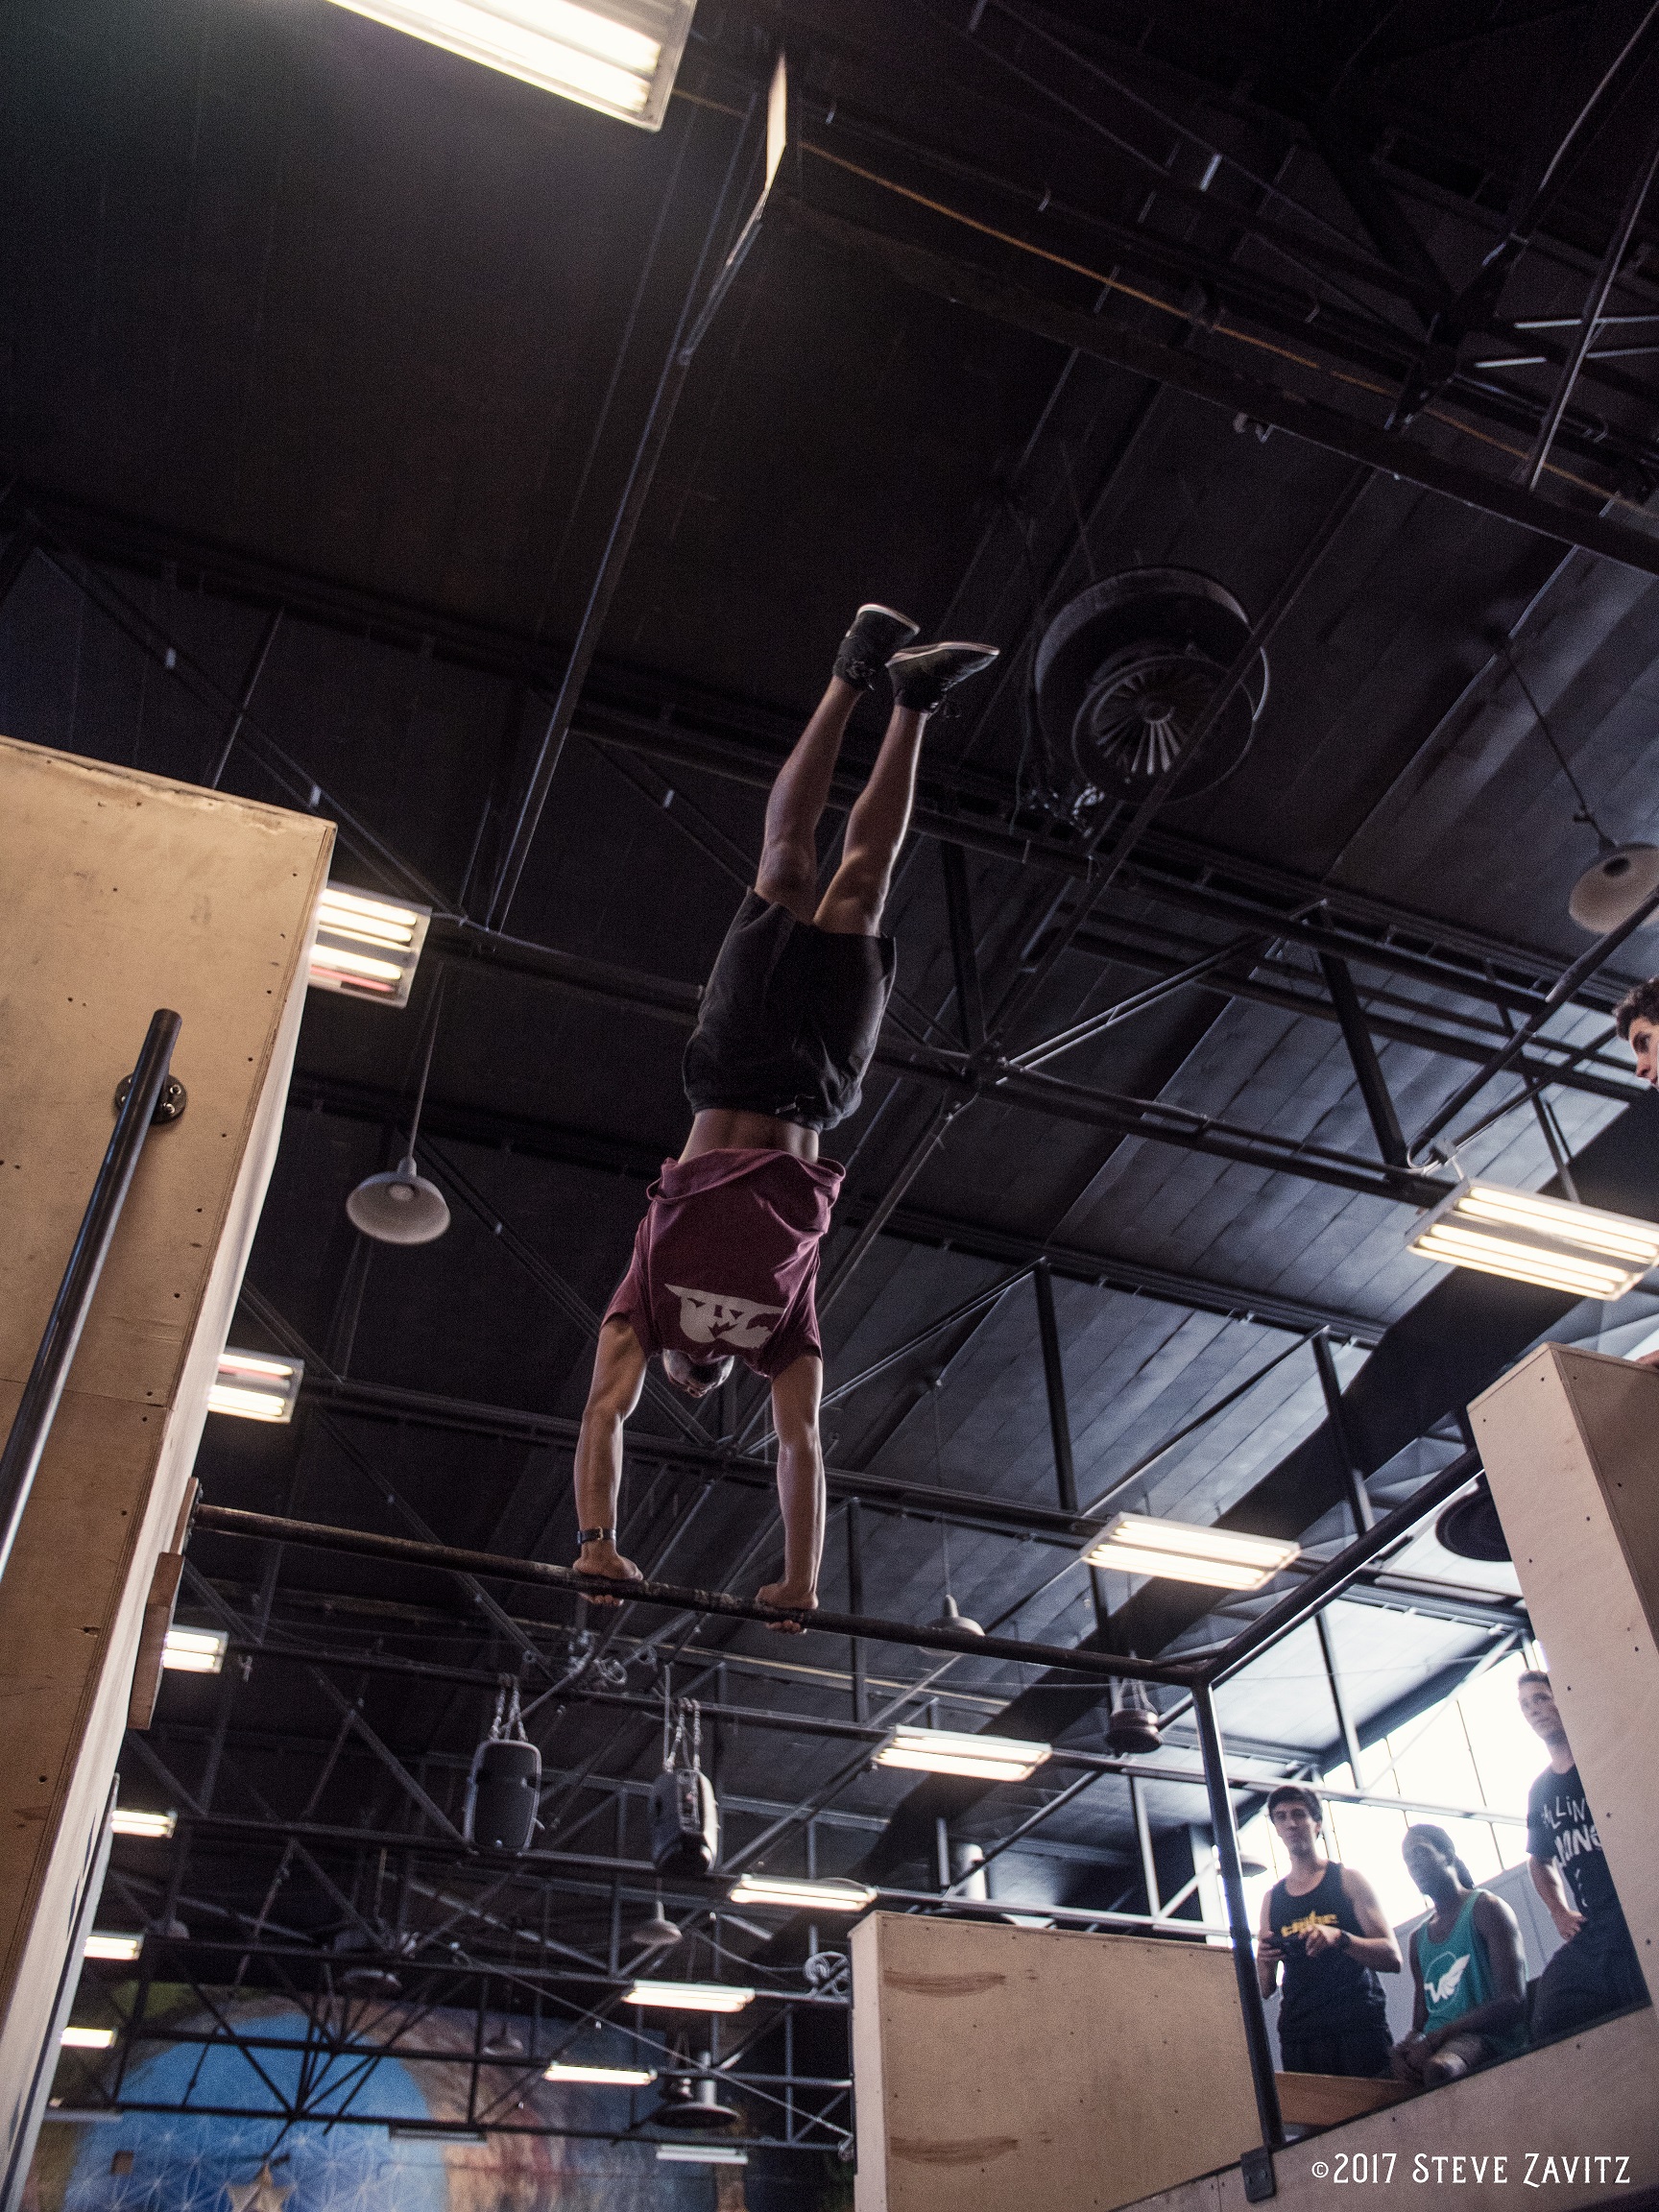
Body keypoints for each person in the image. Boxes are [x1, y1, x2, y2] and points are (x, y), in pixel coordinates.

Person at [569, 606, 998, 1628]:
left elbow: (603, 1411)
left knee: (787, 868)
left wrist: (596, 1540)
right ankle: (914, 699)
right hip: (816, 1093)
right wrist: (802, 1575)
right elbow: (803, 1445)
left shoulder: (650, 1305)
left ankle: (850, 672)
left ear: (676, 1360)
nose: (702, 1370)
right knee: (863, 888)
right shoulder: (784, 1338)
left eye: (690, 1375)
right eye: (709, 1376)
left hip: (731, 1071)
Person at [1520, 1670, 1648, 2038]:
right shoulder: (1540, 1790)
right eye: (1526, 1705)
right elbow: (1538, 1860)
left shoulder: (1603, 1763)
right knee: (1549, 2016)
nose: (1535, 1710)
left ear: (1564, 1697)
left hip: (1638, 1914)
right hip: (1595, 1929)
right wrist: (1558, 1912)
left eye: (1542, 1698)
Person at [1257, 1784, 1402, 2078]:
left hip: (1356, 2022)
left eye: (1299, 1814)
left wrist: (1339, 1937)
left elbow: (1392, 1957)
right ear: (1276, 1828)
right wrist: (1265, 1959)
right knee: (1321, 2121)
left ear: (1317, 1824)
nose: (1291, 1823)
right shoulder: (1272, 1898)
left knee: (1376, 2114)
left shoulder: (1347, 1880)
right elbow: (1266, 1988)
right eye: (1281, 1817)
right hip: (1302, 2031)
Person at [1390, 1825, 1527, 2087]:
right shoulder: (1418, 1938)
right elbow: (1420, 2024)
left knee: (1438, 2070)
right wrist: (1401, 2051)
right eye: (1408, 1860)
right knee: (1384, 2087)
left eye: (1421, 1853)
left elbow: (1513, 2000)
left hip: (1486, 2036)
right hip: (1441, 2041)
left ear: (1448, 1855)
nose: (1414, 1865)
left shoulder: (1486, 1908)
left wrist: (1435, 2039)